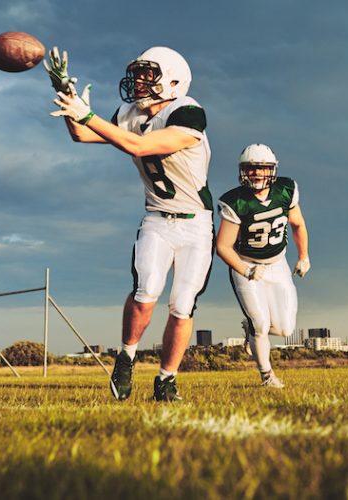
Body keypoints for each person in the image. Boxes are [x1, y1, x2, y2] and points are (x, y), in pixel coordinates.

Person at [46, 46, 212, 402]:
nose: (138, 81)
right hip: (157, 218)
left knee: (182, 305)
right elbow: (83, 135)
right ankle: (126, 357)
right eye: (137, 73)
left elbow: (138, 146)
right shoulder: (128, 112)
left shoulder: (187, 112)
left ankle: (166, 380)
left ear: (172, 82)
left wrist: (87, 115)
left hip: (196, 224)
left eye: (147, 74)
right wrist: (67, 99)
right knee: (146, 290)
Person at [215, 144, 309, 388]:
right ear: (242, 171)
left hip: (277, 263)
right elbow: (223, 246)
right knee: (261, 324)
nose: (257, 174)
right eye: (251, 168)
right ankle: (267, 376)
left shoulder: (285, 190)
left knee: (285, 328)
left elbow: (297, 224)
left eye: (262, 168)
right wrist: (246, 271)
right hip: (245, 264)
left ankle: (250, 331)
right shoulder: (235, 201)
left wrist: (304, 256)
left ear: (272, 170)